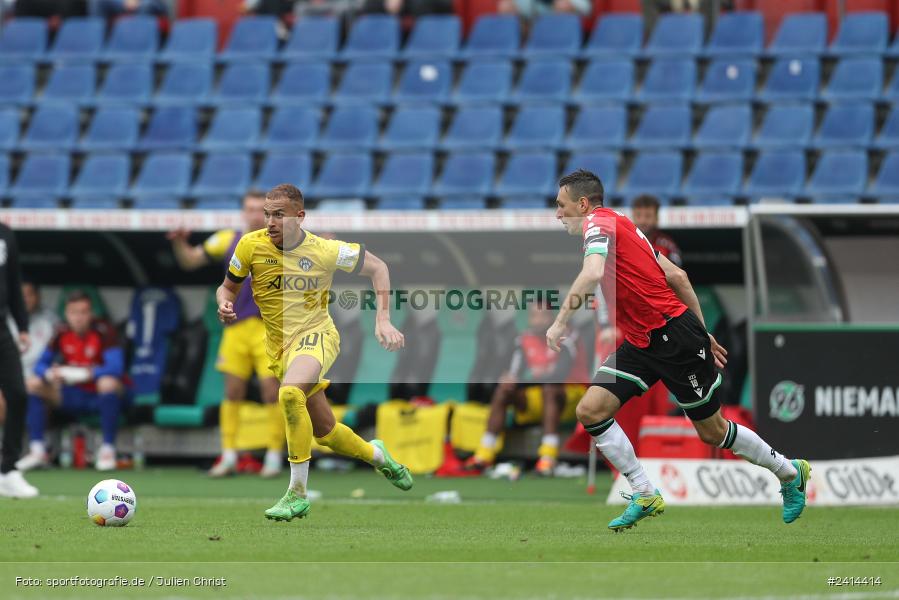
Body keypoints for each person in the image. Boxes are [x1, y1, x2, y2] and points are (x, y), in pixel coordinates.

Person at [547, 169, 809, 531]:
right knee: (591, 410)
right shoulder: (626, 229)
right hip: (642, 341)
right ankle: (643, 491)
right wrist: (704, 331)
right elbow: (679, 277)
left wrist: (560, 321)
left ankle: (789, 472)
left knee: (712, 431)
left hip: (674, 337)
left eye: (561, 206)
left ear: (583, 204)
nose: (558, 214)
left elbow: (592, 272)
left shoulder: (598, 223)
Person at [217, 183, 413, 521]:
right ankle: (378, 457)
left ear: (300, 216)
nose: (270, 221)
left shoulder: (324, 249)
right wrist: (225, 303)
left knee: (290, 394)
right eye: (267, 214)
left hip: (317, 335)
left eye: (279, 214)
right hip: (279, 349)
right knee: (328, 434)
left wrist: (383, 320)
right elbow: (228, 286)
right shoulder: (249, 246)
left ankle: (296, 494)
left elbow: (378, 267)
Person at [168, 191, 285, 478]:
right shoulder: (228, 240)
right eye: (251, 209)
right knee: (232, 391)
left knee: (272, 392)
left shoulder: (282, 241)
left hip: (269, 328)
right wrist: (180, 243)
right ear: (243, 211)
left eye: (262, 210)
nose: (256, 214)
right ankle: (229, 454)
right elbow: (190, 261)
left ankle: (273, 454)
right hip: (236, 328)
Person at [466, 301, 588, 476]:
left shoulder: (568, 337)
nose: (537, 321)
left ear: (553, 318)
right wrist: (509, 380)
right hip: (541, 397)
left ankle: (548, 456)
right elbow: (515, 373)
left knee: (551, 388)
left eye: (542, 316)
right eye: (533, 316)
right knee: (504, 390)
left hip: (573, 400)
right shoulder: (523, 339)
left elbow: (559, 376)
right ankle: (484, 454)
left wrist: (521, 382)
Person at [18, 290, 127, 472]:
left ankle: (108, 449)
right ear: (67, 314)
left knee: (107, 382)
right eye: (74, 313)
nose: (78, 318)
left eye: (83, 312)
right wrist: (50, 374)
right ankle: (37, 450)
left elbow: (116, 367)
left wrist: (85, 374)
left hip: (98, 395)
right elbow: (40, 365)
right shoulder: (61, 332)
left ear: (91, 313)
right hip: (71, 394)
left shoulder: (104, 330)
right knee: (33, 383)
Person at [0, 223, 38, 498]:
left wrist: (22, 325)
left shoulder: (5, 234)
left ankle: (7, 470)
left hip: (1, 328)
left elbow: (13, 281)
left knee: (18, 393)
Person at [631, 195, 682, 268]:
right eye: (638, 216)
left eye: (648, 216)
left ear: (656, 218)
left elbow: (676, 272)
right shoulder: (624, 242)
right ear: (633, 217)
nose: (643, 221)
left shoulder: (667, 245)